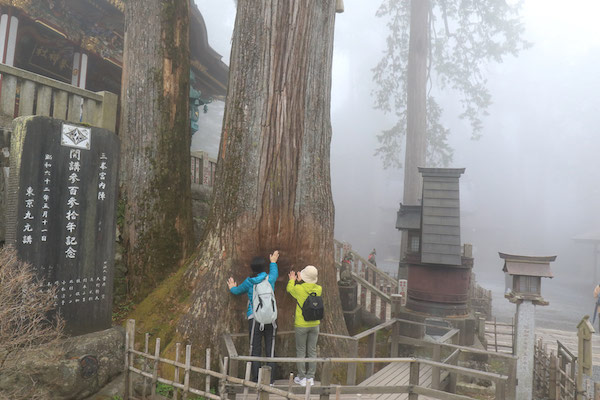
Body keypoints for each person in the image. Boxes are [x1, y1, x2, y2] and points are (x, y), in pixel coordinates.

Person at [227, 250, 279, 383]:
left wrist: (232, 287)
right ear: (263, 268)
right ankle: (270, 380)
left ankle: (256, 379)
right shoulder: (270, 279)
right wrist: (273, 262)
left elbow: (237, 291)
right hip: (271, 318)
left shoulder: (249, 282)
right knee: (270, 348)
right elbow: (274, 273)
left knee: (255, 348)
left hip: (254, 318)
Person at [286, 265, 322, 387]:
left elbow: (289, 289)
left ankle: (301, 377)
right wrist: (304, 280)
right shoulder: (319, 289)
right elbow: (310, 287)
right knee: (312, 351)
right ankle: (310, 377)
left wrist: (293, 279)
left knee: (301, 351)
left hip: (301, 324)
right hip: (315, 324)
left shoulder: (299, 289)